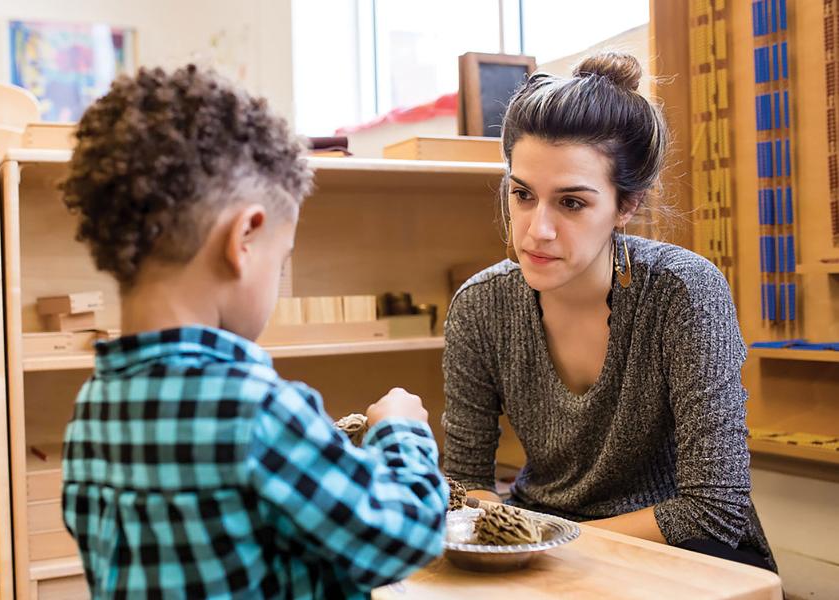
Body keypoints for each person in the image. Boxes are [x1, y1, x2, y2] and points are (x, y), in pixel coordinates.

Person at [60, 64, 448, 598]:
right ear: (245, 236)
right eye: (281, 259)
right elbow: (405, 536)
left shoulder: (92, 408)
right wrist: (399, 433)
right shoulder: (257, 412)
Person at [442, 52, 776, 572]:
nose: (537, 230)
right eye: (523, 195)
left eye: (572, 203)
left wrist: (549, 542)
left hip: (675, 546)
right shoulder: (480, 306)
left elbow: (714, 508)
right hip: (540, 537)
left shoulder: (682, 290)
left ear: (627, 206)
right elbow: (465, 487)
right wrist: (523, 535)